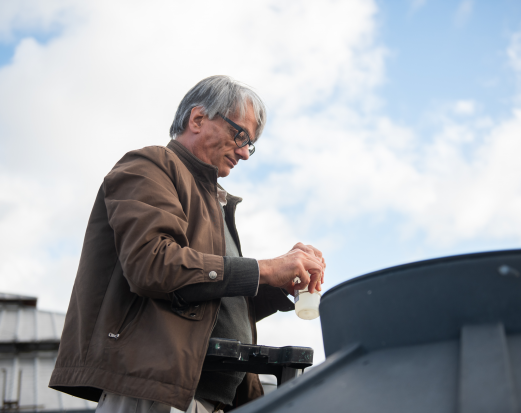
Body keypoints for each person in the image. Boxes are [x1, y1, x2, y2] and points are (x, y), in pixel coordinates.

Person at [49, 75, 326, 413]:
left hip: (209, 399)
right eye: (240, 135)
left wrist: (278, 284)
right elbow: (152, 266)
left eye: (250, 144)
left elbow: (210, 302)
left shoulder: (214, 201)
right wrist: (265, 268)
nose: (244, 153)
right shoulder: (149, 166)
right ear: (198, 119)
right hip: (156, 393)